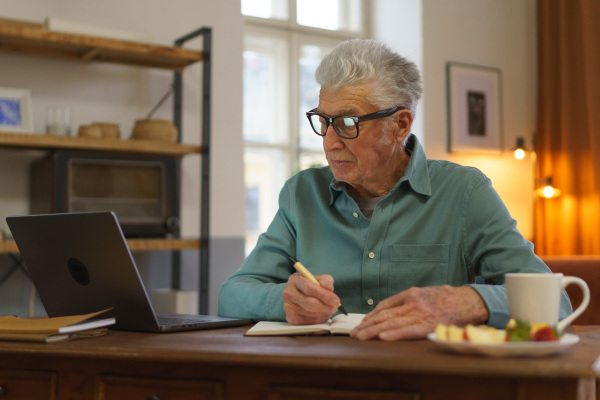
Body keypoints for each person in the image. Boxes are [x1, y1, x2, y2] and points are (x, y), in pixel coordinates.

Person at [218, 39, 572, 340]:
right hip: (323, 378)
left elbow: (555, 303)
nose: (329, 142)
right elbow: (232, 295)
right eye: (323, 121)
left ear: (400, 125)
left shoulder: (465, 192)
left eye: (347, 123)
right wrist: (283, 300)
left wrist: (465, 302)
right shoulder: (301, 194)